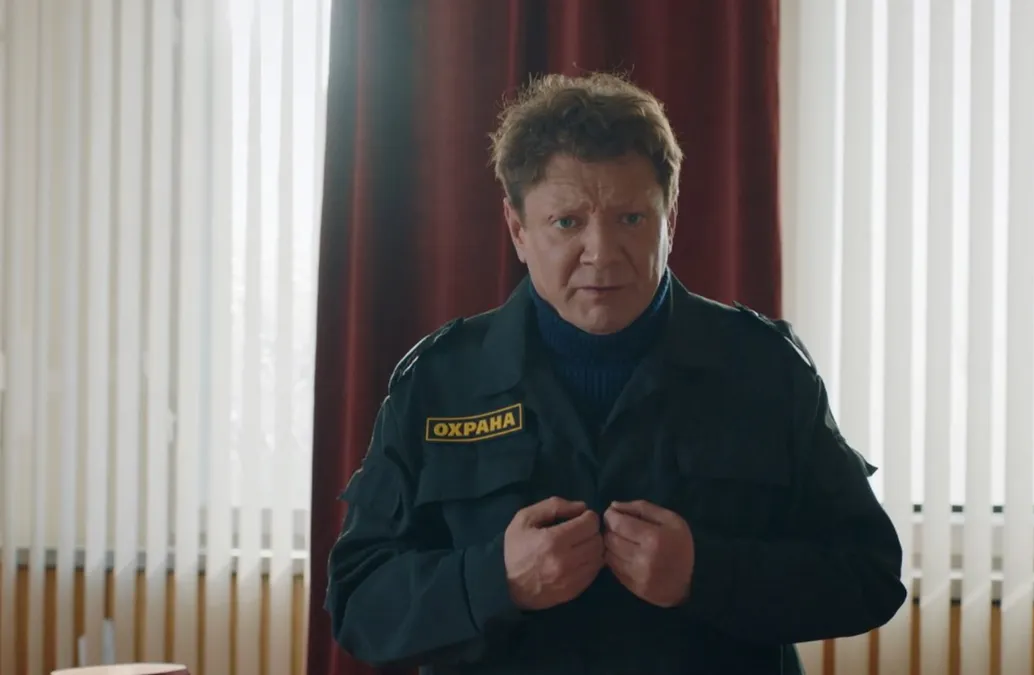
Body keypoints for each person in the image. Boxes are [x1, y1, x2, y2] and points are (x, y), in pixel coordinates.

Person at [324, 72, 906, 675]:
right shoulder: (440, 382)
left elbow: (868, 574)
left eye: (631, 219)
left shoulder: (765, 370)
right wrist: (495, 580)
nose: (601, 253)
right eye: (567, 222)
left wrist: (707, 574)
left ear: (670, 218)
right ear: (518, 230)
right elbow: (358, 601)